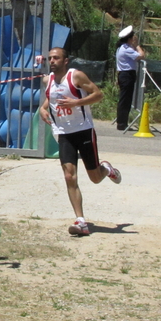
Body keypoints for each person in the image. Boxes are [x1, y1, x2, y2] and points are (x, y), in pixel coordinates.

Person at [39, 48, 121, 237]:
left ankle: (106, 169)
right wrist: (43, 110)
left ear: (65, 60)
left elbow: (98, 95)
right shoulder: (48, 80)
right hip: (64, 133)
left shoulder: (75, 76)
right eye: (50, 58)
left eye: (56, 58)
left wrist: (76, 103)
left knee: (94, 177)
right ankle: (81, 221)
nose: (52, 61)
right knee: (69, 176)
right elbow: (48, 101)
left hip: (83, 131)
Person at [114, 26, 145, 131]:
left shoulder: (123, 47)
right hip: (126, 75)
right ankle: (122, 123)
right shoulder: (126, 49)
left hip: (125, 75)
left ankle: (122, 121)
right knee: (125, 100)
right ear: (129, 38)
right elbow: (141, 55)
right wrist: (137, 45)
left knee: (126, 99)